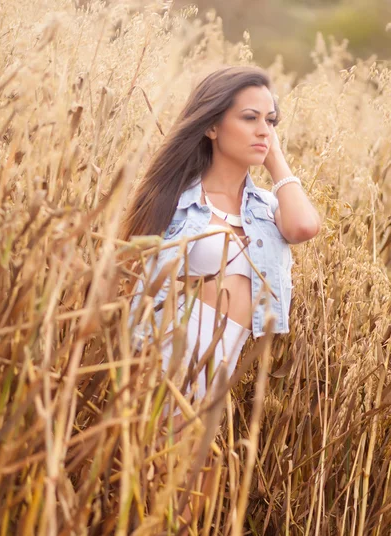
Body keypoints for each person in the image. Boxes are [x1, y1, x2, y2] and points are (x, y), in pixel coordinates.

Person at [124, 66, 321, 406]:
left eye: (271, 121)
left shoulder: (266, 209)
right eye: (250, 118)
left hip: (219, 371)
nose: (264, 131)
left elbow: (304, 227)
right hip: (165, 363)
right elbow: (132, 282)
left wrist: (275, 160)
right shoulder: (175, 201)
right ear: (212, 126)